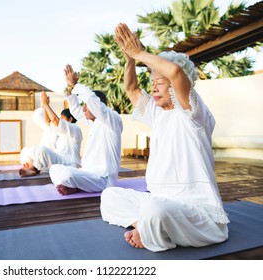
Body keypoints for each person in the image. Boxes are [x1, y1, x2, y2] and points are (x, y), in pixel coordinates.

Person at [100, 23, 229, 252]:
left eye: (159, 83)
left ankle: (151, 230)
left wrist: (139, 53)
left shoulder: (194, 112)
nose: (154, 88)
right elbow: (130, 88)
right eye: (153, 83)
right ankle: (145, 226)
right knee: (109, 196)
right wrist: (130, 59)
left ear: (178, 86)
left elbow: (177, 73)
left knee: (156, 211)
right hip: (158, 201)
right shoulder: (157, 113)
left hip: (197, 211)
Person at [49, 64, 123, 195]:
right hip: (87, 173)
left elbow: (92, 100)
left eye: (86, 106)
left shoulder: (112, 121)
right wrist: (71, 90)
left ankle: (75, 185)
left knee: (67, 175)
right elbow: (76, 110)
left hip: (103, 180)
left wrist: (75, 85)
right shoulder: (94, 123)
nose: (84, 109)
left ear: (97, 106)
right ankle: (77, 185)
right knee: (54, 169)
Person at [19, 91, 82, 177]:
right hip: (59, 159)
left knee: (42, 149)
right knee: (38, 150)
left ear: (70, 119)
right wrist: (45, 106)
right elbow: (48, 121)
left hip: (69, 163)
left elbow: (55, 121)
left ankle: (33, 169)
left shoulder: (75, 129)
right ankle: (34, 168)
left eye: (62, 118)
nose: (61, 120)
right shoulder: (61, 131)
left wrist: (45, 105)